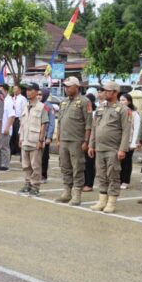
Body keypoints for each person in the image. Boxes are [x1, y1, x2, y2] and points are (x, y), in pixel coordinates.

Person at [88, 81, 132, 213]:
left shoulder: (123, 109)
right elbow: (94, 128)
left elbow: (126, 130)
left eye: (107, 90)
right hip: (99, 147)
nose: (104, 92)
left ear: (115, 92)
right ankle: (102, 200)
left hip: (113, 148)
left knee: (113, 175)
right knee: (101, 174)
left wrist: (122, 149)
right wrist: (91, 145)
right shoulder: (101, 107)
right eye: (103, 90)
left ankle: (111, 201)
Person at [55, 77, 92, 205]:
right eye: (65, 86)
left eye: (69, 86)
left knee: (78, 168)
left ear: (77, 87)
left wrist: (86, 141)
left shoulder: (84, 101)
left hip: (77, 140)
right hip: (64, 140)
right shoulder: (64, 102)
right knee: (65, 167)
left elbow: (88, 124)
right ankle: (66, 192)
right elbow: (59, 122)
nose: (66, 89)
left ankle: (77, 194)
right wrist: (58, 139)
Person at [18, 83, 49, 196]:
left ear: (36, 92)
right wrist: (21, 138)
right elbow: (22, 123)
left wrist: (41, 141)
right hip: (25, 139)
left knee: (35, 166)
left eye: (30, 90)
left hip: (35, 141)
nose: (28, 92)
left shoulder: (41, 107)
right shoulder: (25, 105)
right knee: (25, 165)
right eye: (27, 90)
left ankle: (35, 186)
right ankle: (27, 184)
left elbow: (44, 124)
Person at [118, 93, 140, 189]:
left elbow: (136, 129)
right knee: (119, 161)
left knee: (127, 162)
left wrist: (134, 142)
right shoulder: (118, 112)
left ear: (129, 101)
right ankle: (119, 179)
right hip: (119, 141)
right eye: (120, 100)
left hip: (129, 141)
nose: (121, 102)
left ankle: (125, 181)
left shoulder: (134, 114)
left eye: (124, 100)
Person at [39, 88, 55, 184]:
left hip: (45, 136)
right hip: (37, 135)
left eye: (41, 94)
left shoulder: (49, 107)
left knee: (44, 157)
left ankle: (43, 175)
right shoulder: (37, 105)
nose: (39, 96)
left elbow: (52, 123)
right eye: (38, 94)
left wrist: (49, 137)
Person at [83, 92, 98, 192]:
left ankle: (89, 183)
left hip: (91, 141)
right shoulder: (84, 112)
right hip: (82, 139)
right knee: (82, 163)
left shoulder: (95, 113)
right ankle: (83, 182)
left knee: (89, 163)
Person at [0, 84, 15, 171]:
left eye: (1, 90)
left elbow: (11, 116)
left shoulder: (9, 101)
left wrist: (7, 128)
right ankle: (0, 163)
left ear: (5, 91)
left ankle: (5, 164)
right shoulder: (1, 100)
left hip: (5, 128)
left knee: (4, 147)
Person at [9, 85, 27, 155]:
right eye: (13, 89)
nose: (14, 90)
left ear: (19, 90)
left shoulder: (23, 99)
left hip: (18, 118)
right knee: (12, 134)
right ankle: (12, 149)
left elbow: (24, 109)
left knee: (18, 134)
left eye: (16, 89)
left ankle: (18, 150)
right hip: (12, 118)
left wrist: (22, 119)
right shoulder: (12, 98)